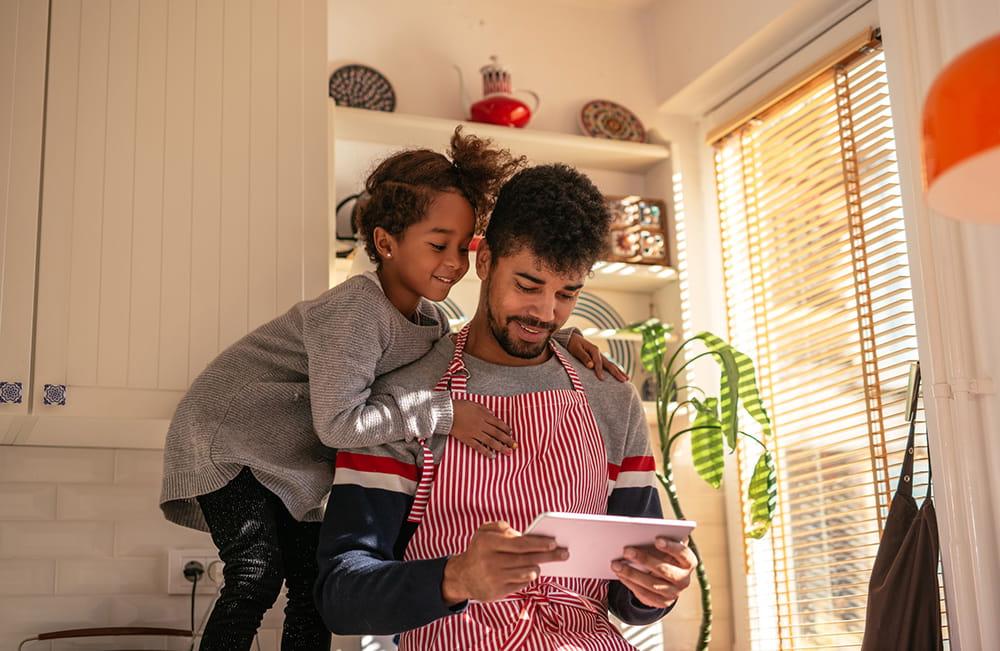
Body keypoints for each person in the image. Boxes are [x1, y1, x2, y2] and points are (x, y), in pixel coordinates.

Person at [158, 130, 617, 651]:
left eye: (461, 247)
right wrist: (444, 413)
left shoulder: (428, 320)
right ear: (385, 242)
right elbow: (340, 423)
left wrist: (565, 336)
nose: (454, 263)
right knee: (255, 574)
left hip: (284, 457)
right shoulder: (356, 309)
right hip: (229, 441)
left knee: (311, 591)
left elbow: (489, 335)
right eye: (437, 245)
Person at [315, 163, 697, 650]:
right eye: (528, 284)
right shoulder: (405, 401)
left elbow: (628, 594)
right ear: (485, 260)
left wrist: (655, 590)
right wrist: (455, 578)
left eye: (567, 294)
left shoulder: (609, 397)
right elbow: (341, 594)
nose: (545, 313)